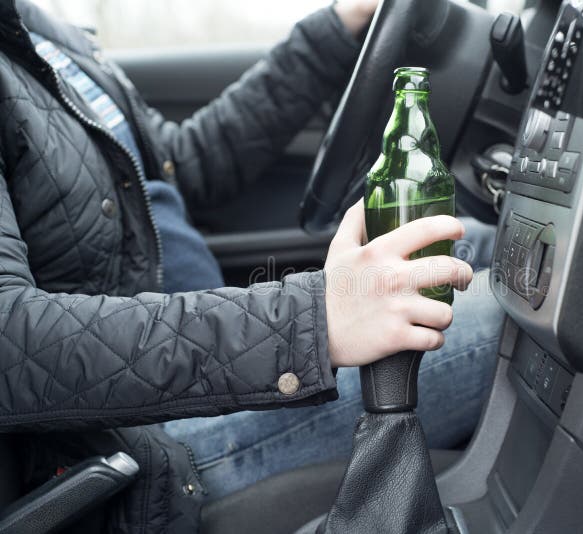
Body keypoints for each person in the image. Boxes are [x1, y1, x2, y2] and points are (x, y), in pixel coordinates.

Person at [0, 0, 503, 531]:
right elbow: (9, 343)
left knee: (482, 246)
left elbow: (177, 166)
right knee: (514, 310)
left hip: (200, 364)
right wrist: (315, 318)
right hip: (139, 442)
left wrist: (336, 28)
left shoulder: (34, 30)